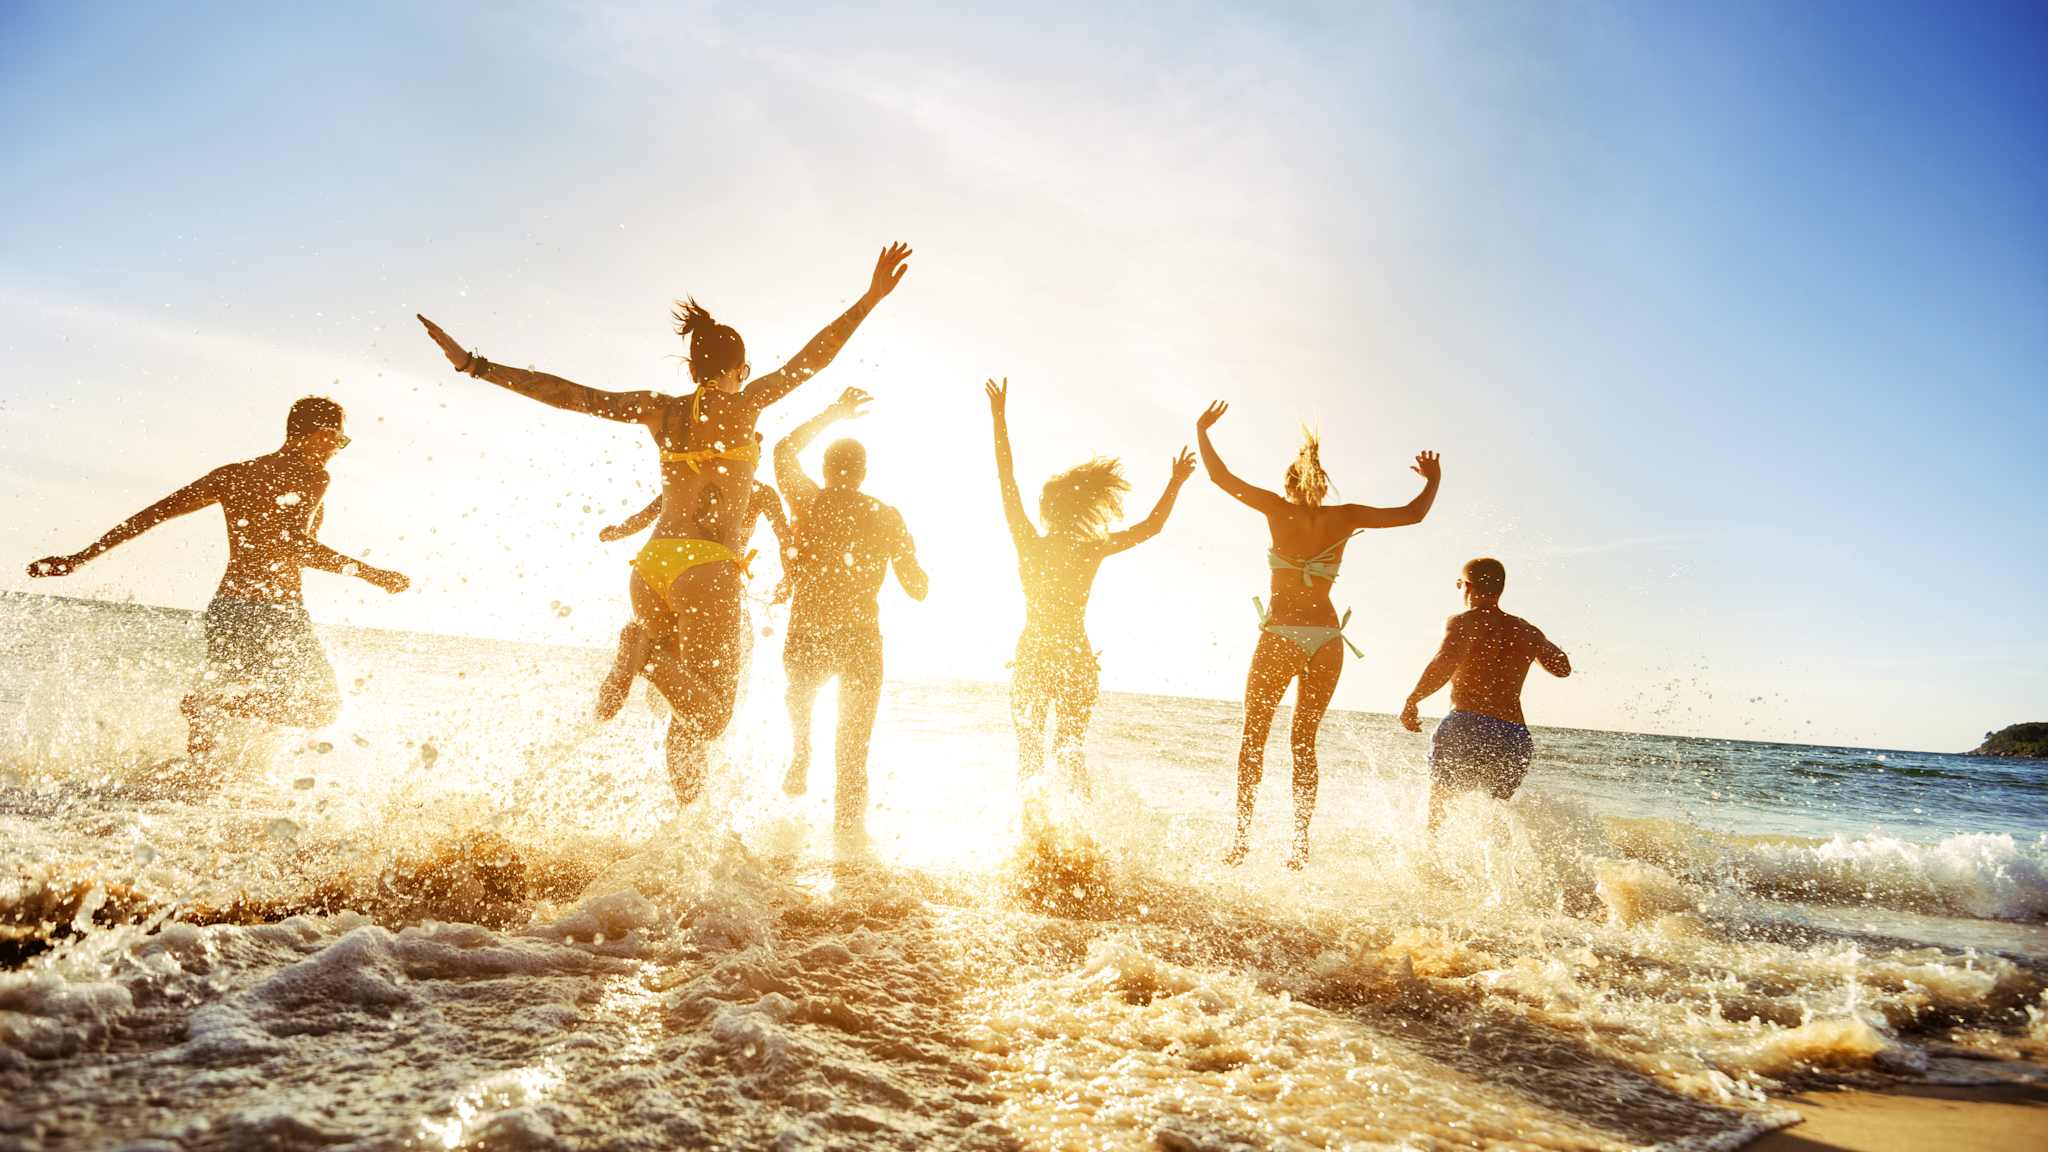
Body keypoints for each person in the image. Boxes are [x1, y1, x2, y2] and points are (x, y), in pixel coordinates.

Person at [417, 242, 911, 805]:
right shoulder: (746, 405)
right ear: (738, 371)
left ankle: (685, 822)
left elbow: (574, 397)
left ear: (693, 369)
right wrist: (870, 299)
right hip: (706, 570)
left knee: (687, 709)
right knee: (713, 717)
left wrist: (475, 366)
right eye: (745, 371)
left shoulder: (661, 409)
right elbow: (814, 358)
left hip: (651, 568)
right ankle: (644, 655)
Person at [26, 397, 409, 765]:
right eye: (339, 439)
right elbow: (292, 545)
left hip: (228, 610)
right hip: (275, 613)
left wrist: (80, 558)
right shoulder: (312, 475)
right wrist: (372, 574)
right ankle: (207, 708)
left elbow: (154, 514)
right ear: (320, 434)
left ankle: (195, 780)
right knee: (320, 707)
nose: (337, 450)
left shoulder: (234, 475)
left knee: (216, 735)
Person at [1196, 401, 1439, 868]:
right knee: (1304, 743)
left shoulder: (1275, 508)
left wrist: (1202, 431)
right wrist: (1433, 479)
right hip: (1326, 639)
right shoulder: (1345, 516)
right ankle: (1300, 845)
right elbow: (1413, 514)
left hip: (1282, 634)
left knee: (1254, 738)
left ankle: (1241, 842)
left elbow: (1220, 477)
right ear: (1323, 486)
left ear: (1289, 484)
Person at [986, 378, 1194, 797]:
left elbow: (1007, 481)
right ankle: (1083, 829)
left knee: (1030, 751)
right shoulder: (1091, 549)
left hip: (1034, 653)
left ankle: (1033, 829)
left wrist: (998, 417)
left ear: (1047, 510)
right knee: (1070, 751)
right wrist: (1176, 482)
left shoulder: (1029, 542)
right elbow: (1151, 527)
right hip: (1075, 656)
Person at [772, 386, 928, 838]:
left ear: (825, 470)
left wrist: (834, 413)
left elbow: (782, 451)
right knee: (853, 752)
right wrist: (908, 556)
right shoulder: (886, 515)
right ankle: (849, 846)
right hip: (860, 639)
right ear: (863, 473)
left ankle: (802, 748)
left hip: (809, 628)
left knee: (800, 694)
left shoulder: (808, 501)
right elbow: (917, 588)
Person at [595, 472, 791, 719]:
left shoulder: (690, 480)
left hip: (654, 568)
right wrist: (789, 577)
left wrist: (617, 532)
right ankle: (674, 712)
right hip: (709, 579)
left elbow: (647, 515)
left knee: (663, 654)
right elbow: (785, 538)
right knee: (707, 683)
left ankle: (595, 721)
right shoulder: (759, 491)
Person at [1400, 557, 1571, 832]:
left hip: (1466, 725)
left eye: (1459, 584)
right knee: (1495, 821)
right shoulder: (1526, 630)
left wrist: (1413, 699)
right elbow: (1562, 668)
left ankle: (1432, 856)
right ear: (1500, 588)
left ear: (1467, 586)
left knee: (1438, 816)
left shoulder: (1463, 622)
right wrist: (1533, 642)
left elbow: (1445, 661)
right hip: (1513, 735)